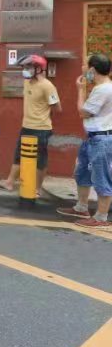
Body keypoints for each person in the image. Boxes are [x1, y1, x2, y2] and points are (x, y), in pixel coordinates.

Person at [57, 54, 112, 229]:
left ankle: (101, 217)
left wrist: (80, 90)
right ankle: (81, 207)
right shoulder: (101, 88)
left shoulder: (103, 89)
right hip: (92, 138)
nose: (83, 68)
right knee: (82, 173)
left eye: (85, 65)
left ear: (92, 69)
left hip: (101, 140)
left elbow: (83, 112)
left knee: (101, 177)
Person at [0, 54, 61, 197]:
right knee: (18, 155)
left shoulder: (47, 86)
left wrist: (43, 114)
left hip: (41, 129)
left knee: (40, 160)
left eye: (28, 67)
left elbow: (57, 107)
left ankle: (37, 188)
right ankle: (9, 182)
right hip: (26, 126)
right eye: (25, 67)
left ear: (39, 69)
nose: (25, 70)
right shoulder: (27, 82)